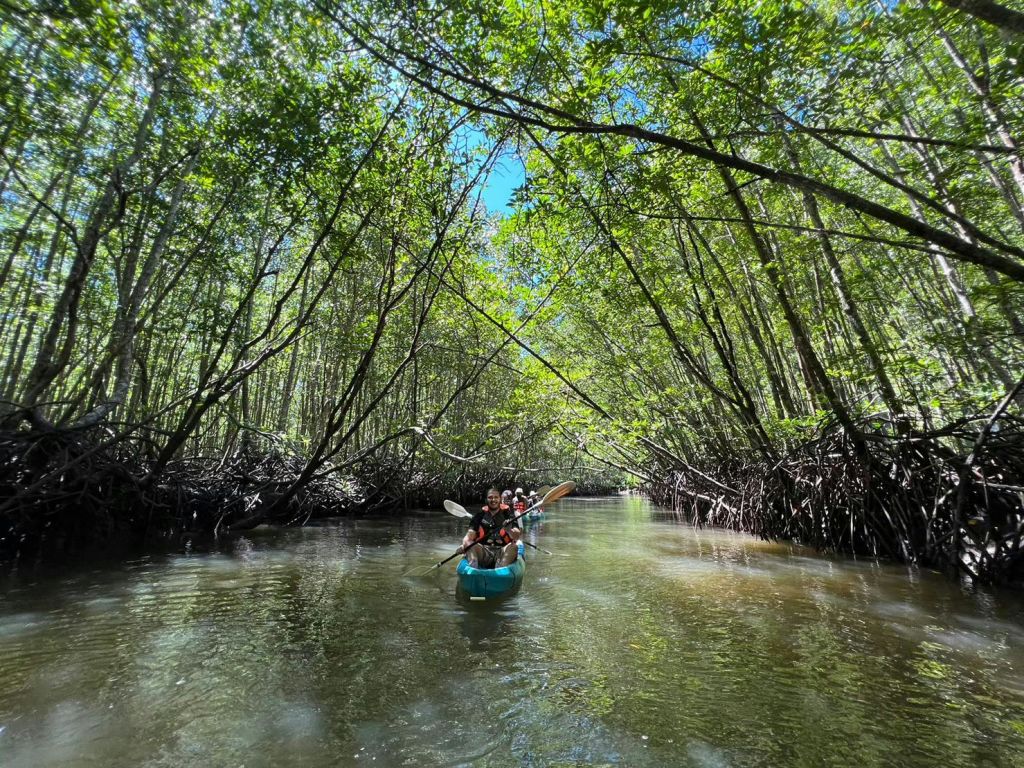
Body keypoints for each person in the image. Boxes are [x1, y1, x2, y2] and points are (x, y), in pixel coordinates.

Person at [461, 488, 521, 569]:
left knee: (514, 547)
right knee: (468, 543)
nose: (493, 500)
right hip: (484, 552)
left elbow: (517, 536)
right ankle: (473, 569)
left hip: (502, 552)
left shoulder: (509, 515)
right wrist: (465, 545)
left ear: (500, 499)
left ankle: (500, 569)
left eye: (496, 497)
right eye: (490, 497)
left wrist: (508, 530)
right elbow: (469, 536)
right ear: (486, 499)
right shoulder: (479, 516)